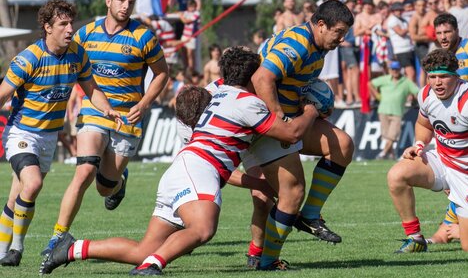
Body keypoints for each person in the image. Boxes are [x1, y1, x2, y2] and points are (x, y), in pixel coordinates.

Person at [39, 46, 318, 275]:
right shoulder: (248, 102)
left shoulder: (219, 92)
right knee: (203, 228)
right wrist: (311, 110)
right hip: (198, 169)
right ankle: (152, 266)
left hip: (183, 169)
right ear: (253, 76)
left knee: (143, 249)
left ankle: (71, 249)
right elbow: (291, 133)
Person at [42, 0, 169, 255]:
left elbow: (162, 74)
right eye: (121, 1)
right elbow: (65, 60)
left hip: (128, 118)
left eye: (130, 3)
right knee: (85, 169)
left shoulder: (143, 37)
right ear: (108, 2)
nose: (126, 7)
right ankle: (58, 236)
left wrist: (145, 103)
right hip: (94, 111)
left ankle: (118, 181)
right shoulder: (86, 33)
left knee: (104, 188)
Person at [0, 0, 121, 266]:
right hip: (22, 133)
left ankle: (0, 251)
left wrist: (108, 110)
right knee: (32, 184)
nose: (69, 29)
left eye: (70, 24)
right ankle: (16, 250)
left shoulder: (77, 54)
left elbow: (91, 89)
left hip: (49, 137)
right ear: (47, 27)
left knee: (18, 195)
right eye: (63, 24)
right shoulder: (29, 58)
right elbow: (3, 94)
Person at [250, 0, 355, 270]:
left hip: (285, 116)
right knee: (288, 193)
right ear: (321, 25)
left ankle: (309, 216)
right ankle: (266, 260)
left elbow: (291, 83)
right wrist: (280, 122)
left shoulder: (317, 48)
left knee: (342, 145)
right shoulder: (297, 43)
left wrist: (314, 103)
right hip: (262, 121)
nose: (342, 39)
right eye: (339, 32)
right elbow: (262, 79)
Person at [387, 48, 468, 253]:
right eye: (432, 77)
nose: (437, 83)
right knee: (397, 175)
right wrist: (419, 145)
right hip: (442, 160)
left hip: (466, 172)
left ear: (456, 77)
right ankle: (415, 239)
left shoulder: (467, 101)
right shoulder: (425, 94)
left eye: (443, 77)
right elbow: (424, 125)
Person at [368, 61, 419, 160]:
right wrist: (377, 96)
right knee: (387, 136)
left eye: (396, 69)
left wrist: (418, 101)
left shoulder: (406, 81)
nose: (395, 71)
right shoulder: (384, 79)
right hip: (383, 110)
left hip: (397, 112)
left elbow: (416, 91)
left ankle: (382, 153)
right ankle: (391, 155)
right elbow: (370, 84)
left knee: (392, 135)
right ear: (389, 70)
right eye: (393, 69)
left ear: (400, 69)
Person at [434, 13, 468, 81]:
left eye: (447, 32)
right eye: (439, 33)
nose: (443, 37)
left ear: (457, 31)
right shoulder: (439, 57)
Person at [387, 2, 416, 83]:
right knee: (411, 73)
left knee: (409, 74)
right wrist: (411, 26)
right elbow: (401, 33)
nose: (399, 12)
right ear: (393, 11)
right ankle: (411, 94)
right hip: (401, 50)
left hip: (409, 48)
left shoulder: (402, 19)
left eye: (400, 10)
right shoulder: (392, 20)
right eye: (397, 10)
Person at [179, 0, 200, 75]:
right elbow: (180, 14)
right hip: (184, 36)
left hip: (192, 37)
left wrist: (181, 17)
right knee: (183, 53)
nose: (192, 8)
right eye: (190, 6)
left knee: (190, 54)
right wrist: (181, 15)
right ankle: (185, 68)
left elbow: (186, 21)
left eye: (193, 6)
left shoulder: (196, 13)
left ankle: (191, 70)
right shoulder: (186, 13)